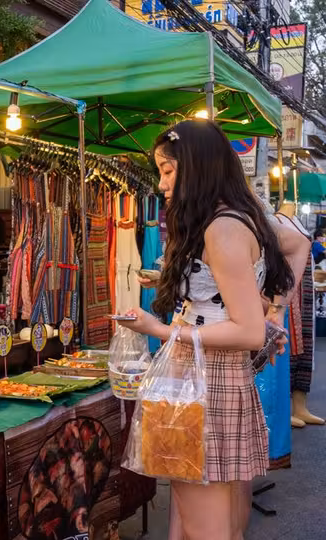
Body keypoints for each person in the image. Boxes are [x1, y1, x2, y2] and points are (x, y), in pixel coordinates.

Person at [118, 120, 294, 540]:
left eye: (168, 171)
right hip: (207, 377)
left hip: (207, 380)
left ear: (197, 167)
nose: (161, 184)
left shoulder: (222, 228)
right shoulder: (225, 221)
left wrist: (161, 330)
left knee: (204, 522)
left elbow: (248, 330)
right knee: (201, 510)